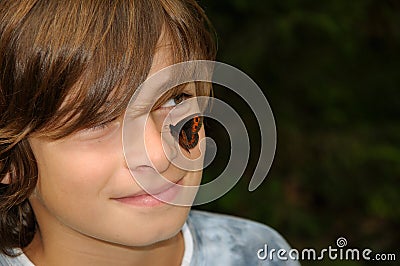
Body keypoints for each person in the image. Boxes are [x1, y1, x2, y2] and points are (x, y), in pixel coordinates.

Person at [0, 0, 299, 265]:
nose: (159, 155)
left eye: (175, 99)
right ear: (9, 158)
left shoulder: (258, 253)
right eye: (95, 121)